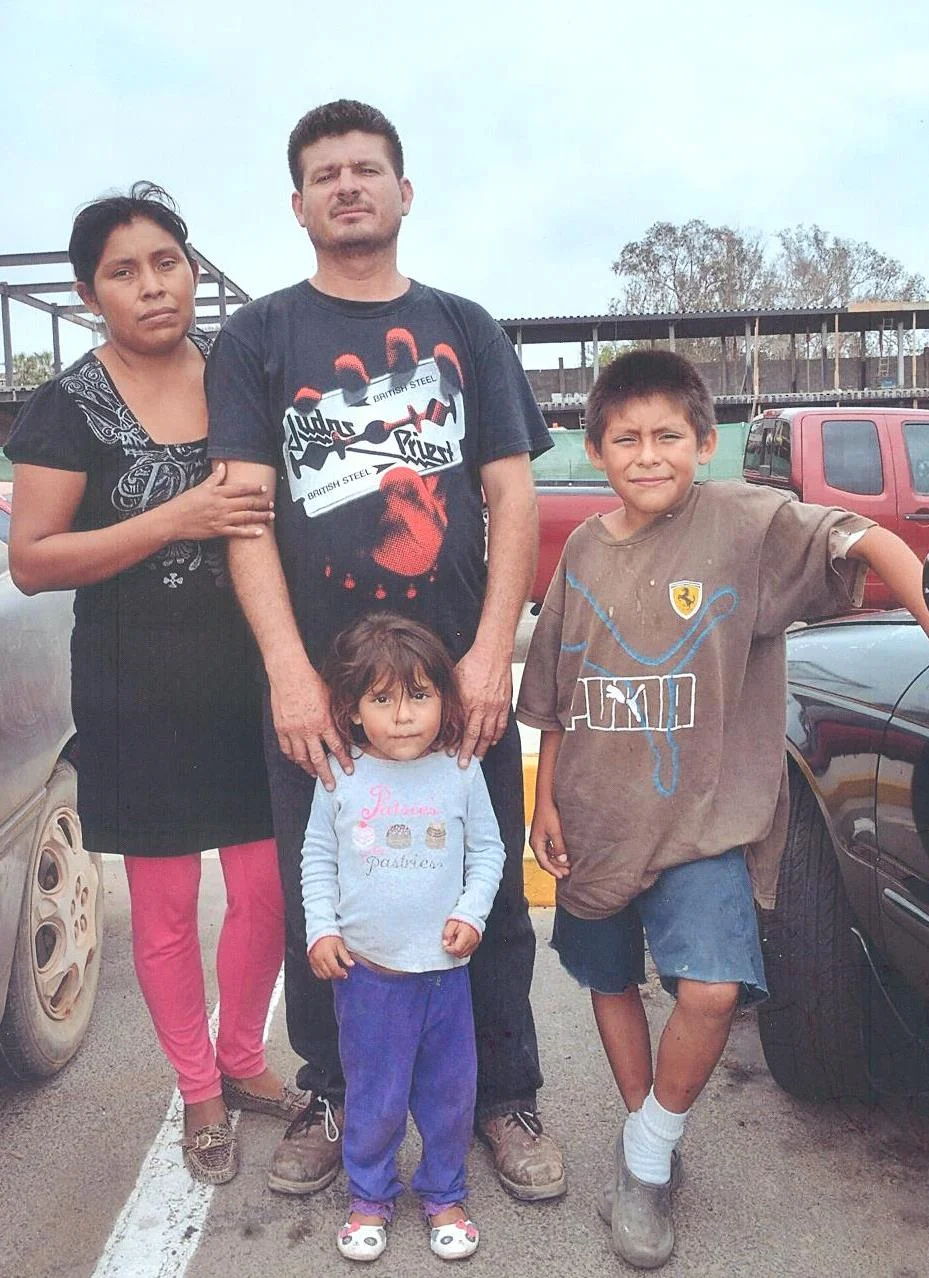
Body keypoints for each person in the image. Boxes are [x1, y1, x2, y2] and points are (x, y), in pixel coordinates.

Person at [205, 99, 565, 1202]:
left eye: (366, 169)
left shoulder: (466, 326)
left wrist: (489, 654)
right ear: (298, 204)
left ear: (404, 192)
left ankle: (502, 1095)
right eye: (325, 174)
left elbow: (511, 496)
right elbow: (244, 513)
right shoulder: (258, 338)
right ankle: (331, 1091)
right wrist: (288, 672)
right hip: (324, 691)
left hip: (453, 681)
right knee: (327, 890)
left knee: (482, 884)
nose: (347, 186)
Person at [516, 348, 929, 1269]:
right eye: (626, 439)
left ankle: (647, 1153)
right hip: (594, 818)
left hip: (706, 821)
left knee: (709, 990)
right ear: (594, 449)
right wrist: (544, 803)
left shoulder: (749, 523)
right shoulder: (581, 550)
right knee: (610, 982)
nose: (647, 455)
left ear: (705, 443)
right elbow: (552, 693)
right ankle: (645, 1143)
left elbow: (870, 542)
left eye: (667, 435)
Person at [6, 183, 306, 1185]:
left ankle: (244, 1058)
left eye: (167, 262)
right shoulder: (66, 406)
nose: (151, 286)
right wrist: (174, 520)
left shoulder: (243, 377)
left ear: (191, 268)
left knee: (265, 890)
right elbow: (33, 560)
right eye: (123, 272)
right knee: (168, 905)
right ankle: (199, 1091)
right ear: (89, 295)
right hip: (136, 689)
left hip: (253, 677)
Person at [302, 613, 504, 1261]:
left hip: (445, 978)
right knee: (375, 1096)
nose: (403, 715)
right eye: (382, 699)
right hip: (368, 979)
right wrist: (321, 929)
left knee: (449, 1097)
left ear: (444, 698)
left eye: (419, 695)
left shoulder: (461, 771)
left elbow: (488, 853)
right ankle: (369, 1197)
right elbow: (317, 858)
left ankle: (444, 1194)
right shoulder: (341, 776)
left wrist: (472, 913)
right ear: (352, 710)